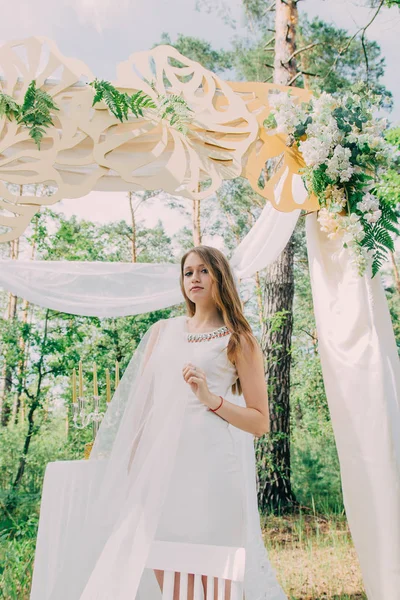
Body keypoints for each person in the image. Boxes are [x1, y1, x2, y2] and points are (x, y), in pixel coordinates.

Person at [152, 245, 271, 600]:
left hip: (214, 471)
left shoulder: (239, 340)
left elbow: (260, 422)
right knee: (173, 581)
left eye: (204, 271)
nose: (195, 278)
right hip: (166, 471)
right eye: (188, 272)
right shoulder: (163, 331)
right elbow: (146, 406)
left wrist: (210, 400)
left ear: (220, 276)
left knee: (218, 580)